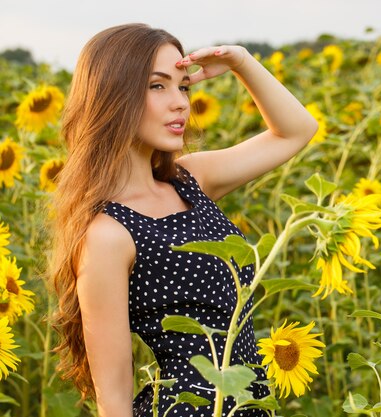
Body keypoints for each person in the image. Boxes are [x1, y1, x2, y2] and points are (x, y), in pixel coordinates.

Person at [47, 23, 318, 417]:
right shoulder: (107, 235)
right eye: (158, 86)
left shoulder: (190, 180)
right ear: (112, 96)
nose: (180, 103)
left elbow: (296, 131)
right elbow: (114, 399)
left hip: (249, 403)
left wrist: (241, 61)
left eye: (183, 86)